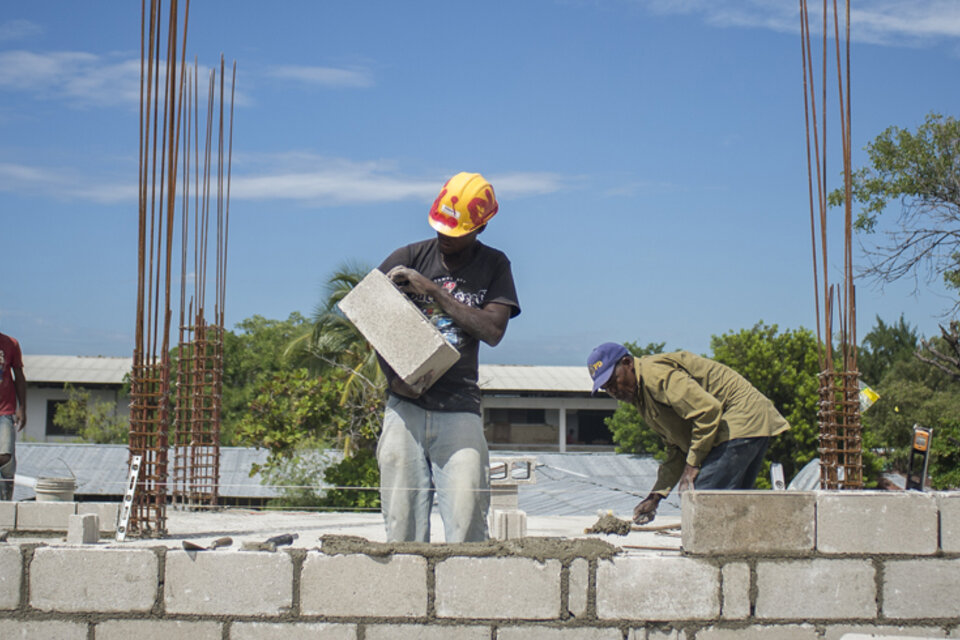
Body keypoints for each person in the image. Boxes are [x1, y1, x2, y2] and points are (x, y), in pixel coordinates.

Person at [376, 171, 521, 543]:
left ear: (480, 228)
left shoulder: (494, 265)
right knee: (402, 523)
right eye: (440, 229)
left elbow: (492, 331)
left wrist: (433, 291)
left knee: (467, 517)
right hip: (405, 407)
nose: (445, 238)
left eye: (455, 234)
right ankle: (408, 596)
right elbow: (369, 314)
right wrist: (394, 377)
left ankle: (464, 597)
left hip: (459, 408)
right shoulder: (409, 256)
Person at [587, 342, 789, 524]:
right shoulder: (641, 397)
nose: (614, 391)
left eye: (614, 381)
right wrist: (655, 497)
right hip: (746, 424)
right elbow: (677, 449)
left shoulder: (654, 375)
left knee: (702, 497)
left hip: (741, 420)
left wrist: (691, 467)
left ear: (627, 362)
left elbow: (707, 411)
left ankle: (709, 560)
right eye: (607, 388)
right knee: (732, 509)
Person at [0, 332, 26, 501]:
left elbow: (19, 377)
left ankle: (5, 503)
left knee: (6, 457)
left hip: (5, 410)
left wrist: (22, 407)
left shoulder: (10, 343)